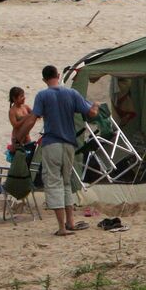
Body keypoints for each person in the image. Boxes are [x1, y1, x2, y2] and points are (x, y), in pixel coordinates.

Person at [27, 66, 99, 235]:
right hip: (69, 144)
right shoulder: (72, 94)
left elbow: (33, 118)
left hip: (52, 143)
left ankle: (61, 228)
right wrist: (95, 105)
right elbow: (91, 113)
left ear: (44, 79)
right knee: (66, 182)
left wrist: (20, 135)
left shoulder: (42, 95)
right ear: (58, 76)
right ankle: (71, 223)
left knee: (53, 182)